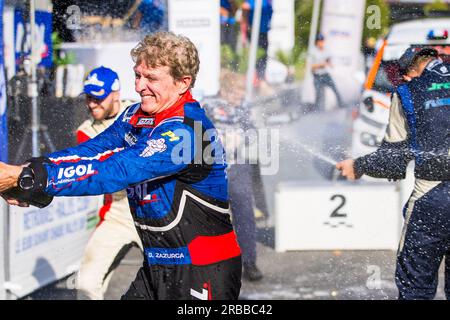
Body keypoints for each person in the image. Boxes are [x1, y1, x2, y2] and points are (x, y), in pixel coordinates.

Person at [0, 32, 242, 300]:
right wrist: (32, 171)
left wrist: (29, 179)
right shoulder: (134, 116)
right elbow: (92, 151)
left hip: (204, 269)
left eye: (151, 78)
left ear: (183, 83)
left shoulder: (187, 131)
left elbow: (118, 170)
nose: (139, 86)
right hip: (156, 267)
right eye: (138, 75)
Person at [336, 47, 450, 300]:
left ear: (410, 73)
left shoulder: (408, 92)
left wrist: (358, 165)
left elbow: (393, 160)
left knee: (415, 287)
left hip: (433, 200)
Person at [75, 66, 143, 300]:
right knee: (85, 283)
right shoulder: (85, 132)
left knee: (175, 282)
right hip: (119, 214)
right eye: (88, 97)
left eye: (98, 97)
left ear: (116, 93)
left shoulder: (140, 110)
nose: (92, 104)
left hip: (155, 211)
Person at [241, 0, 273, 89]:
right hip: (254, 34)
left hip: (262, 33)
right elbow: (245, 6)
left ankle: (260, 80)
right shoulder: (258, 2)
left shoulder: (266, 2)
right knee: (256, 57)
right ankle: (257, 80)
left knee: (262, 57)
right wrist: (244, 32)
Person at [310, 33, 344, 111]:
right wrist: (321, 64)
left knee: (335, 89)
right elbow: (312, 66)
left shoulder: (326, 50)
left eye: (322, 41)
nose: (321, 43)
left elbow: (328, 60)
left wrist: (329, 63)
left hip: (325, 74)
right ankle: (316, 110)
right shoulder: (313, 51)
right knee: (319, 95)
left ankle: (341, 104)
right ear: (317, 42)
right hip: (317, 76)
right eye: (319, 41)